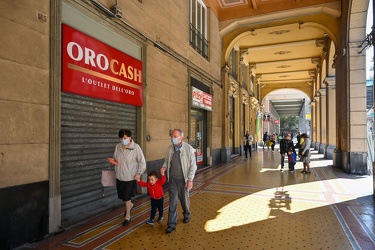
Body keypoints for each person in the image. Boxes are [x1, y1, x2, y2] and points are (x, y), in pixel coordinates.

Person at [162, 129, 197, 234]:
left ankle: (187, 214)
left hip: (184, 180)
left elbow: (193, 166)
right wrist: (164, 167)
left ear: (181, 137)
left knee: (184, 200)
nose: (173, 138)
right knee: (172, 202)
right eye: (172, 136)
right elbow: (166, 162)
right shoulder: (169, 149)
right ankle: (171, 224)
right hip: (172, 179)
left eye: (175, 136)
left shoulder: (188, 149)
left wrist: (190, 180)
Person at [110, 129, 146, 226]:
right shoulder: (118, 147)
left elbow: (142, 162)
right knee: (123, 196)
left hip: (130, 177)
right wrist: (113, 161)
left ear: (130, 138)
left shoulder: (136, 148)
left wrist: (139, 173)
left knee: (127, 197)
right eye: (121, 138)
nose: (123, 140)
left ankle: (128, 216)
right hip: (119, 176)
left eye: (125, 138)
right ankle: (130, 205)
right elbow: (115, 158)